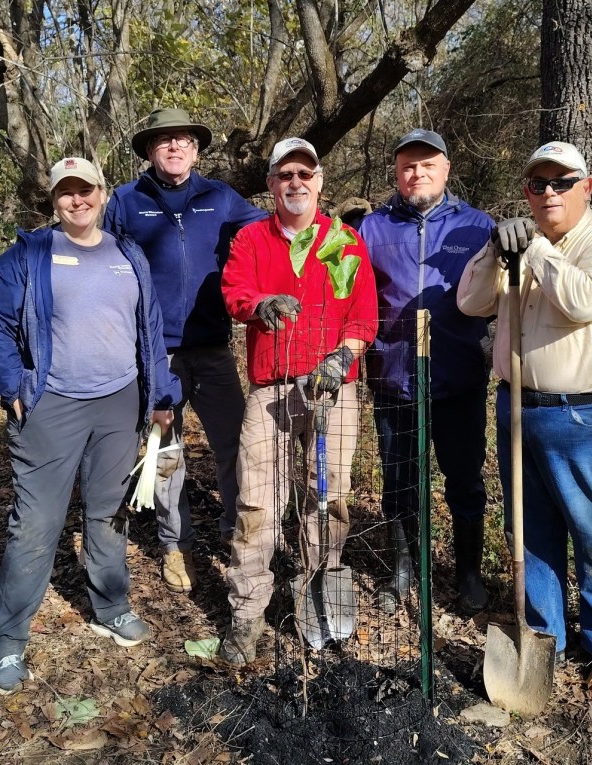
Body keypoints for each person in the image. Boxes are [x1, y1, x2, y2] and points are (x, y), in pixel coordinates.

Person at [0, 157, 180, 694]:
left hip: (119, 404)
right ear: (53, 199)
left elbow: (151, 333)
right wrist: (12, 389)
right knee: (37, 524)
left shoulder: (128, 255)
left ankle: (111, 606)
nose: (77, 201)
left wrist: (162, 396)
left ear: (103, 193)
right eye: (66, 192)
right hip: (52, 406)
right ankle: (8, 639)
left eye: (86, 190)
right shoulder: (29, 255)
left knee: (108, 513)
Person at [456, 141, 592, 702]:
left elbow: (582, 301)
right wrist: (494, 250)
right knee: (530, 533)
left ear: (587, 186)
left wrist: (535, 249)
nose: (549, 193)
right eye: (538, 184)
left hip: (588, 414)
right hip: (519, 407)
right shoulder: (516, 247)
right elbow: (469, 301)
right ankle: (545, 636)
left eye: (562, 182)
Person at [217, 137, 378, 665]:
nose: (296, 184)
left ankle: (317, 595)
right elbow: (234, 293)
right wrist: (261, 304)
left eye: (305, 175)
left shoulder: (344, 241)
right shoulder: (250, 239)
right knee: (258, 503)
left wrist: (343, 356)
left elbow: (363, 315)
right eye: (285, 175)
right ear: (270, 184)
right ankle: (247, 616)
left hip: (335, 388)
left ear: (319, 182)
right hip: (273, 389)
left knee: (326, 495)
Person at [104, 108, 267, 595]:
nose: (175, 148)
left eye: (184, 141)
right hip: (156, 357)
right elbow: (100, 262)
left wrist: (336, 226)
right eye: (164, 141)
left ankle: (239, 532)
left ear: (196, 150)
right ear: (150, 151)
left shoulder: (219, 197)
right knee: (165, 452)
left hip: (214, 349)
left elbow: (273, 231)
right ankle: (177, 545)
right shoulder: (126, 201)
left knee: (235, 447)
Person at [358, 129, 494, 616]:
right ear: (397, 173)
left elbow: (505, 299)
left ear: (446, 169)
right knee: (399, 480)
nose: (416, 174)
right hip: (394, 376)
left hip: (458, 379)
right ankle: (402, 567)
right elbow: (353, 297)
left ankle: (468, 573)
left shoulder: (478, 228)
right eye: (407, 166)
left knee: (464, 479)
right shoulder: (372, 229)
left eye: (427, 165)